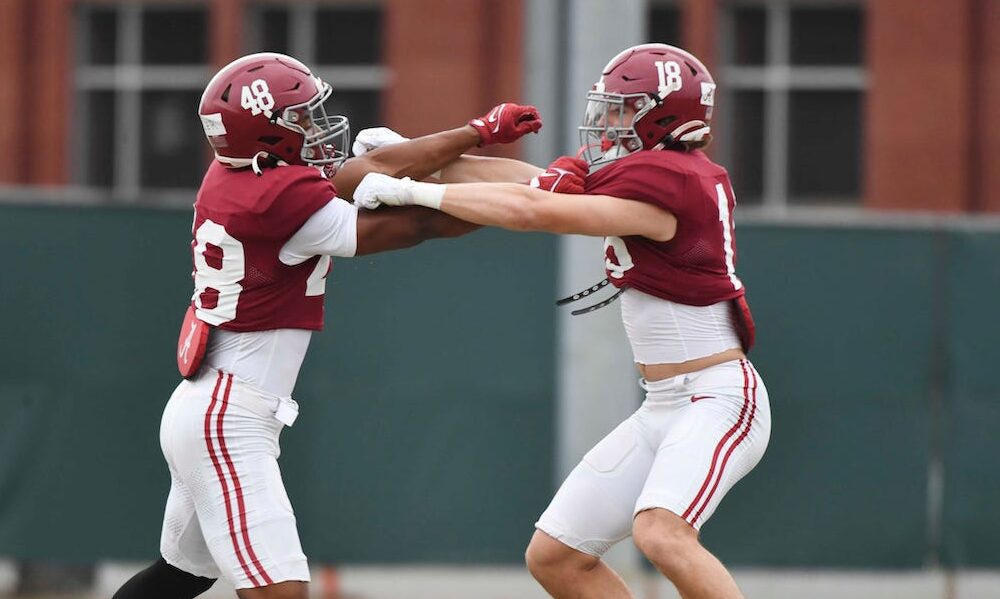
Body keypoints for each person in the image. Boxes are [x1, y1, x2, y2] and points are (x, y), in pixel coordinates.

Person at [112, 52, 542, 599]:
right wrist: (525, 202)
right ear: (267, 134)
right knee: (280, 592)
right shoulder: (276, 197)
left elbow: (362, 173)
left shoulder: (240, 174)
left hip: (210, 404)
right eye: (303, 118)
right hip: (228, 419)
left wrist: (474, 133)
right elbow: (417, 223)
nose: (318, 128)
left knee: (179, 577)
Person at [354, 43, 771, 599]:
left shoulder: (671, 187)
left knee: (662, 534)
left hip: (718, 397)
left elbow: (534, 212)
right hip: (665, 402)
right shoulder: (653, 170)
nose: (608, 120)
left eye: (624, 108)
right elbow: (530, 183)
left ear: (662, 114)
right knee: (557, 557)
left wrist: (413, 189)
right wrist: (419, 154)